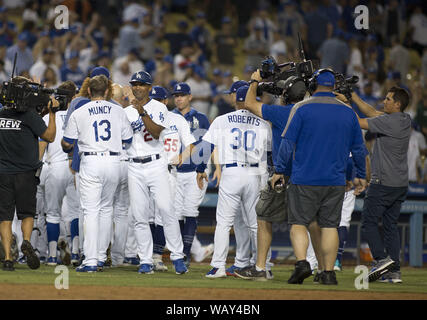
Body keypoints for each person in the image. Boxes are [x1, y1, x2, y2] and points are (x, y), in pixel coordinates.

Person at [273, 69, 367, 285]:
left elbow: (287, 143)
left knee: (298, 223)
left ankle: (302, 263)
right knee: (329, 227)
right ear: (334, 86)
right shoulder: (347, 112)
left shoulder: (301, 108)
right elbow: (360, 149)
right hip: (335, 181)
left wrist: (279, 170)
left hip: (304, 178)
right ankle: (328, 272)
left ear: (313, 85)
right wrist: (361, 175)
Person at [195, 86, 272, 279]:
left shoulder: (222, 120)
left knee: (223, 223)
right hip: (254, 174)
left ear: (235, 100)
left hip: (231, 172)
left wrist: (199, 169)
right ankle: (263, 266)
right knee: (255, 224)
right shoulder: (262, 122)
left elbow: (207, 146)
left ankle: (218, 267)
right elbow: (271, 154)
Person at [235, 74, 307, 281]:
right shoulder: (310, 112)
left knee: (264, 217)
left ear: (286, 94)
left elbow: (248, 103)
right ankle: (322, 269)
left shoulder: (280, 112)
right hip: (306, 174)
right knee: (308, 223)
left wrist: (254, 81)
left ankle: (260, 268)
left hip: (281, 174)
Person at [338, 87, 411, 283]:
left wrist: (343, 104)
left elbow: (357, 122)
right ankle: (394, 271)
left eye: (388, 99)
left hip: (383, 182)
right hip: (400, 184)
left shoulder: (387, 122)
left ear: (397, 104)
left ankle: (381, 259)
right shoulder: (404, 119)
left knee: (369, 222)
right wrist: (352, 96)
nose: (384, 101)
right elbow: (372, 113)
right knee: (390, 226)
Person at [61, 75, 133, 272]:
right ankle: (101, 256)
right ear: (108, 92)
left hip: (91, 161)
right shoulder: (118, 111)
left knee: (91, 211)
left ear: (90, 92)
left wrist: (68, 147)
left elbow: (67, 142)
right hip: (114, 161)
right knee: (106, 209)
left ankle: (91, 260)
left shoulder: (80, 110)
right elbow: (128, 139)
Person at [124, 70, 187, 275]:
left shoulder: (159, 107)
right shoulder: (126, 112)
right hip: (134, 165)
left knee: (166, 210)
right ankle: (145, 260)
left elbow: (156, 132)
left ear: (149, 87)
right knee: (140, 216)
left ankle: (177, 257)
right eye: (134, 84)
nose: (137, 87)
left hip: (156, 165)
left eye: (141, 84)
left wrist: (141, 111)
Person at [0, 76, 58, 271]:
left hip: (3, 173)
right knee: (26, 214)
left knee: (5, 217)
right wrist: (52, 113)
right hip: (25, 173)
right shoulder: (29, 117)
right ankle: (26, 241)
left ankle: (8, 258)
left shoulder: (1, 114)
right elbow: (49, 136)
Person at [39, 81, 80, 266]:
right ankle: (77, 252)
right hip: (74, 167)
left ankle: (53, 256)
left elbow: (40, 150)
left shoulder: (49, 118)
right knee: (75, 213)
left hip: (54, 167)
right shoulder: (78, 115)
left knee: (53, 214)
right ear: (73, 97)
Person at [171, 82, 211, 267]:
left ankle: (185, 254)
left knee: (190, 212)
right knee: (177, 215)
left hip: (194, 171)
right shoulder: (168, 116)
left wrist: (201, 169)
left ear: (190, 97)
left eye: (182, 95)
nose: (178, 98)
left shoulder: (201, 118)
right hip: (174, 173)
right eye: (176, 95)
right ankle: (181, 253)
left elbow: (206, 145)